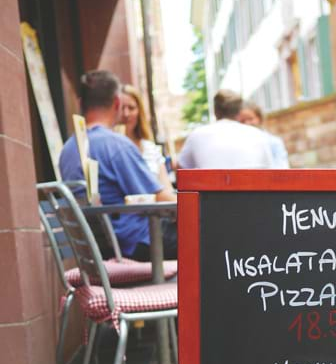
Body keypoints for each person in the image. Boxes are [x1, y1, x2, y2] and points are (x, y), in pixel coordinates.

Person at [59, 70, 177, 260]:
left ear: (80, 104)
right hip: (135, 246)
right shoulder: (116, 146)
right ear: (117, 103)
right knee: (205, 232)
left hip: (96, 251)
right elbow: (159, 197)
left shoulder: (66, 150)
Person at [178, 89, 274, 169]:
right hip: (251, 190)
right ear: (239, 111)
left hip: (211, 191)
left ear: (215, 111)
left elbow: (181, 169)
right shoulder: (258, 135)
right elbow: (270, 170)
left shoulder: (196, 135)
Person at [120, 84, 169, 184]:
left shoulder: (151, 149)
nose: (126, 114)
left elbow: (166, 188)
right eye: (121, 108)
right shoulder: (110, 148)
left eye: (131, 108)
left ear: (139, 111)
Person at [238, 100, 289, 168]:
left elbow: (282, 167)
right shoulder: (237, 144)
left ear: (259, 118)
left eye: (250, 119)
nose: (247, 123)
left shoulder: (273, 142)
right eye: (242, 121)